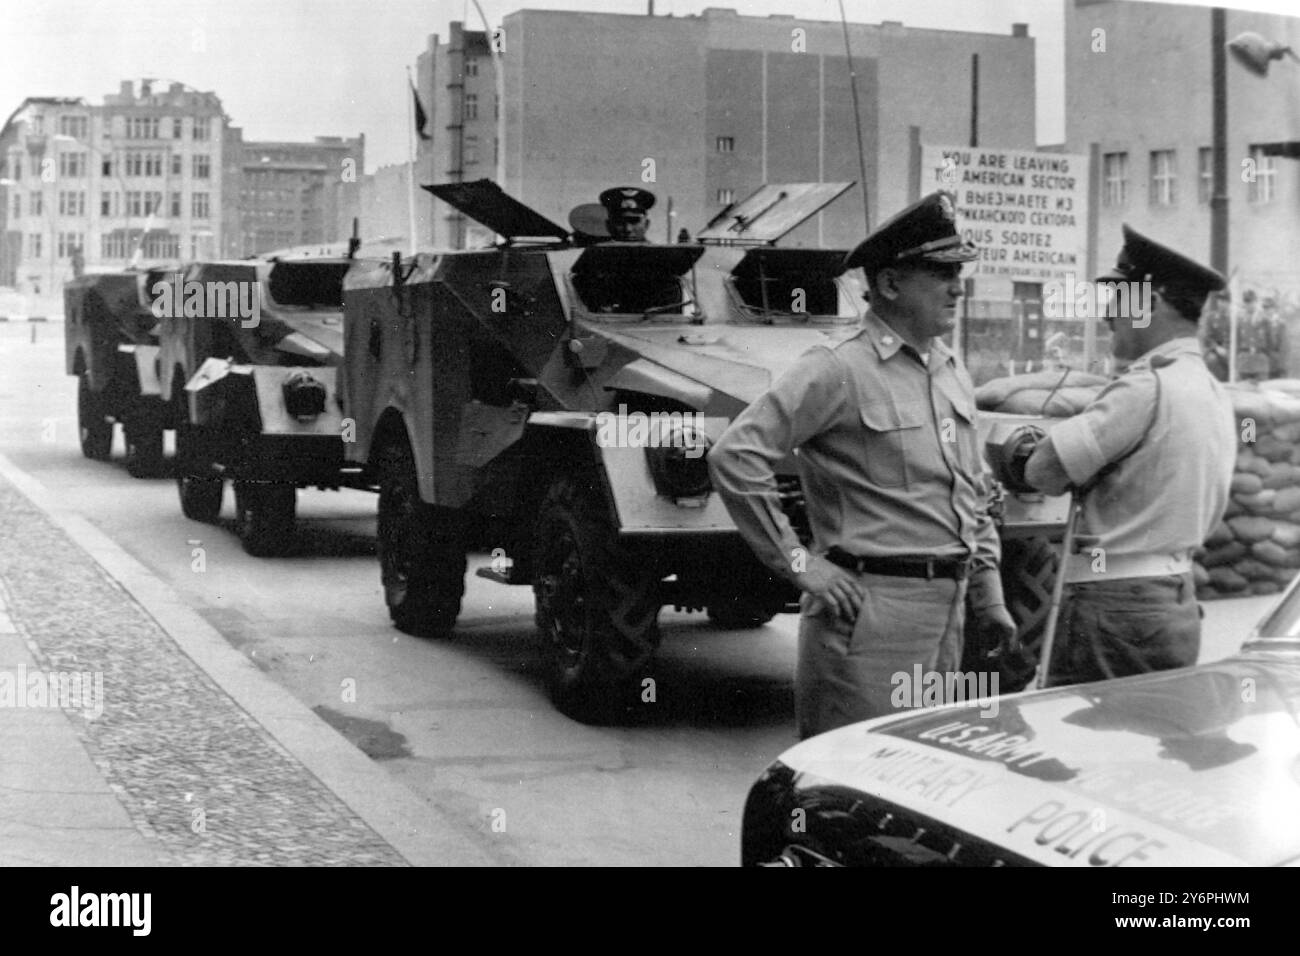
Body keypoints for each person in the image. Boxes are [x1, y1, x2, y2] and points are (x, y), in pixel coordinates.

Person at [708, 191, 1016, 740]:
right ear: (892, 285)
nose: (957, 287)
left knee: (918, 786)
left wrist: (988, 592)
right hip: (871, 617)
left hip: (949, 613)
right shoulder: (838, 367)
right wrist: (800, 563)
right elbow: (737, 455)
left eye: (959, 271)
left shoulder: (948, 369)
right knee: (850, 789)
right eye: (941, 273)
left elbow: (971, 491)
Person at [1000, 224, 1237, 687]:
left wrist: (1026, 449)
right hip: (1175, 599)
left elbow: (1043, 471)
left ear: (1149, 303)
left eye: (1119, 299)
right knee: (1147, 744)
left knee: (1082, 746)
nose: (1109, 316)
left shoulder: (1145, 387)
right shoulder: (1211, 390)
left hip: (1114, 605)